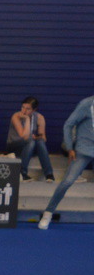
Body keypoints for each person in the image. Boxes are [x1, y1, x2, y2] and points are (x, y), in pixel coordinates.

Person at [39, 94, 94, 229]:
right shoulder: (86, 104)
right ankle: (48, 213)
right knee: (67, 182)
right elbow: (68, 124)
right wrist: (70, 147)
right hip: (83, 150)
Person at [6, 97, 55, 181]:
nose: (24, 111)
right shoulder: (16, 116)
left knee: (40, 142)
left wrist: (37, 137)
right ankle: (22, 173)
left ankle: (49, 174)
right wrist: (27, 119)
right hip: (14, 145)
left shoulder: (39, 117)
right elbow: (24, 136)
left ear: (34, 110)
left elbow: (44, 138)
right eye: (23, 107)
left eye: (28, 109)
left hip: (30, 146)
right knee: (31, 141)